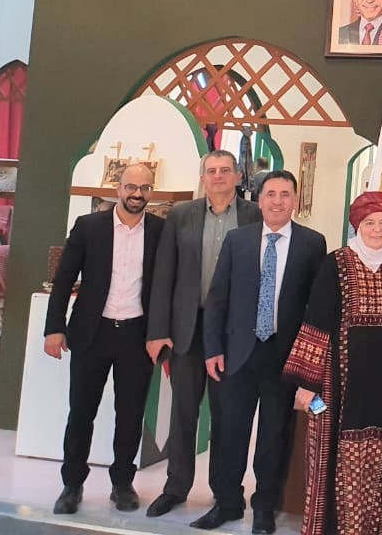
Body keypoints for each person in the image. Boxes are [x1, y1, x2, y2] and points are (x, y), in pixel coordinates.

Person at [196, 171, 327, 534]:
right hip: (237, 353)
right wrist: (212, 349)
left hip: (284, 358)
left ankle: (265, 507)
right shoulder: (238, 240)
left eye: (285, 194)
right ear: (259, 199)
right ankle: (226, 503)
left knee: (274, 437)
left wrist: (308, 363)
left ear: (295, 200)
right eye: (271, 194)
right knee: (229, 433)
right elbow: (217, 298)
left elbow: (316, 307)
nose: (277, 201)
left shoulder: (312, 244)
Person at [145, 150, 261, 518]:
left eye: (225, 170)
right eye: (211, 171)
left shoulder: (255, 215)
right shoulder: (182, 215)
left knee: (227, 415)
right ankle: (175, 487)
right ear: (203, 177)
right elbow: (164, 274)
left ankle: (225, 492)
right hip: (188, 329)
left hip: (232, 332)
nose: (218, 176)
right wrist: (158, 330)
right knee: (183, 413)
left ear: (238, 176)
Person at [44, 164, 164, 515]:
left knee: (130, 414)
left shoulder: (160, 230)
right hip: (91, 334)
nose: (137, 193)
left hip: (137, 336)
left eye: (144, 188)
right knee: (81, 412)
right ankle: (72, 484)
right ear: (118, 188)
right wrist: (54, 327)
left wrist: (162, 333)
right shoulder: (89, 226)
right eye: (131, 186)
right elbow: (64, 278)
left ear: (151, 191)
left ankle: (123, 483)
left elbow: (166, 286)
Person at [282, 191, 382, 535]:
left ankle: (367, 527)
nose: (377, 230)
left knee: (376, 451)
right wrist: (308, 383)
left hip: (381, 384)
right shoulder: (336, 263)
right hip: (334, 382)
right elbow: (317, 320)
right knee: (331, 452)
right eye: (369, 223)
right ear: (357, 226)